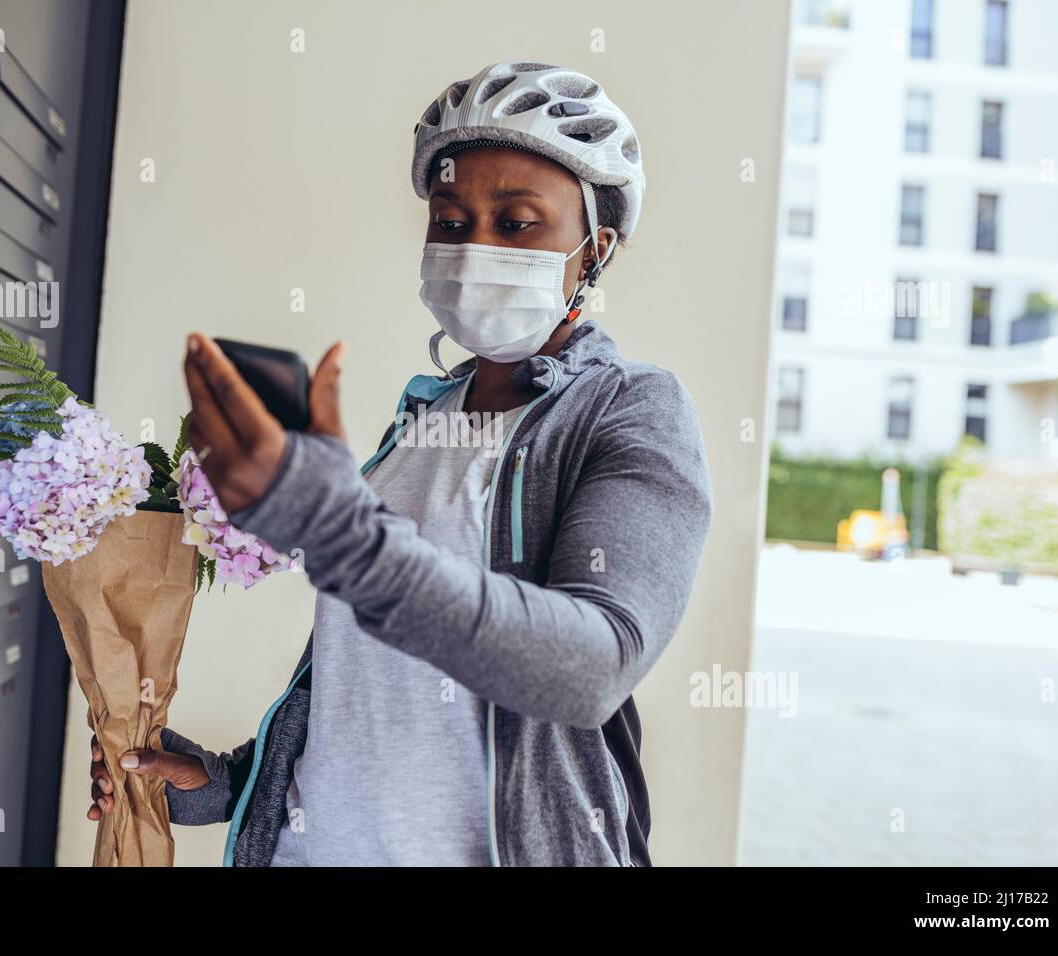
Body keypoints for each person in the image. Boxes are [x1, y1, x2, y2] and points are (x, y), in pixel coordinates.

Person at [87, 61, 712, 866]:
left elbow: (591, 669)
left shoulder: (631, 409)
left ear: (592, 251)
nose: (474, 246)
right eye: (450, 221)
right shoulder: (424, 418)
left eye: (517, 223)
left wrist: (336, 529)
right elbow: (370, 688)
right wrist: (225, 782)